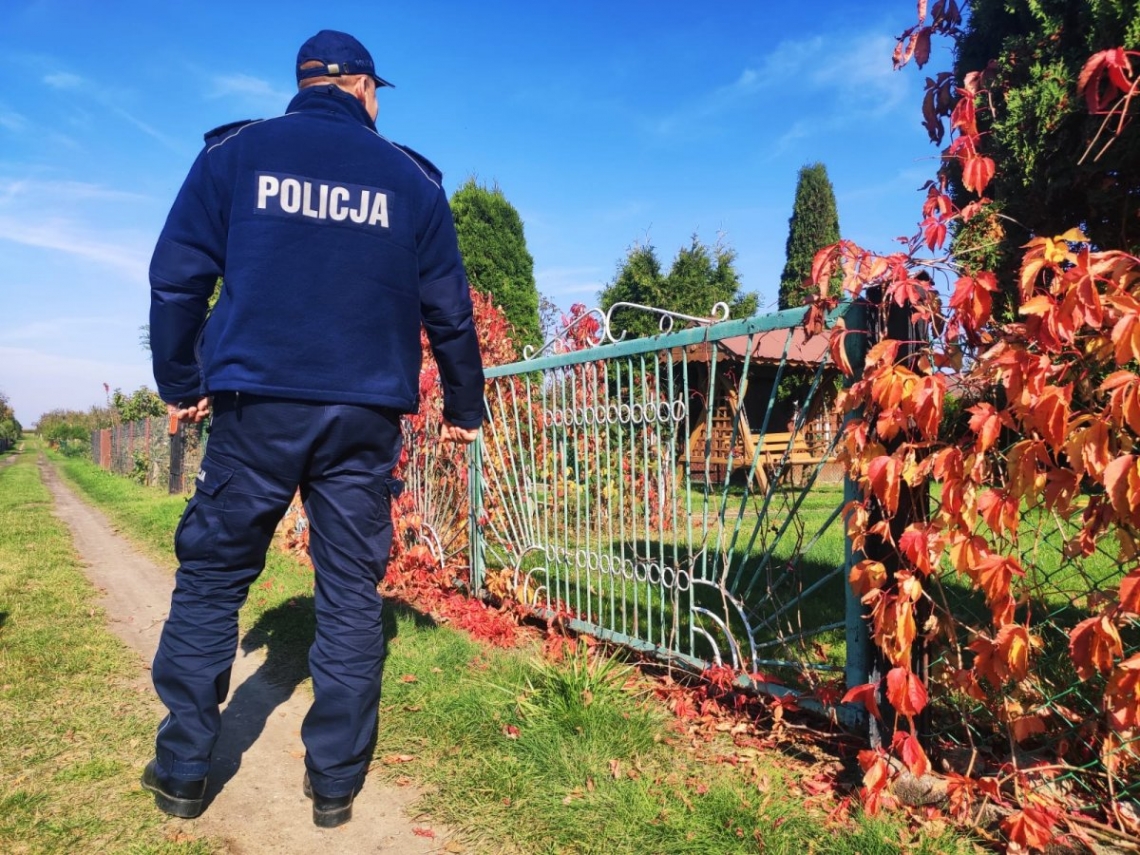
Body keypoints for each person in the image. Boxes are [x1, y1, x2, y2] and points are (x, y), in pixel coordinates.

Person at [142, 29, 484, 828]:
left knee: (213, 578)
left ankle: (184, 769)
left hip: (255, 406)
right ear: (363, 87)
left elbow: (176, 278)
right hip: (362, 416)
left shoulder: (234, 157)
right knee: (348, 591)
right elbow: (451, 311)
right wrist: (465, 406)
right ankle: (334, 786)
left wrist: (181, 383)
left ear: (304, 83)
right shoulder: (412, 181)